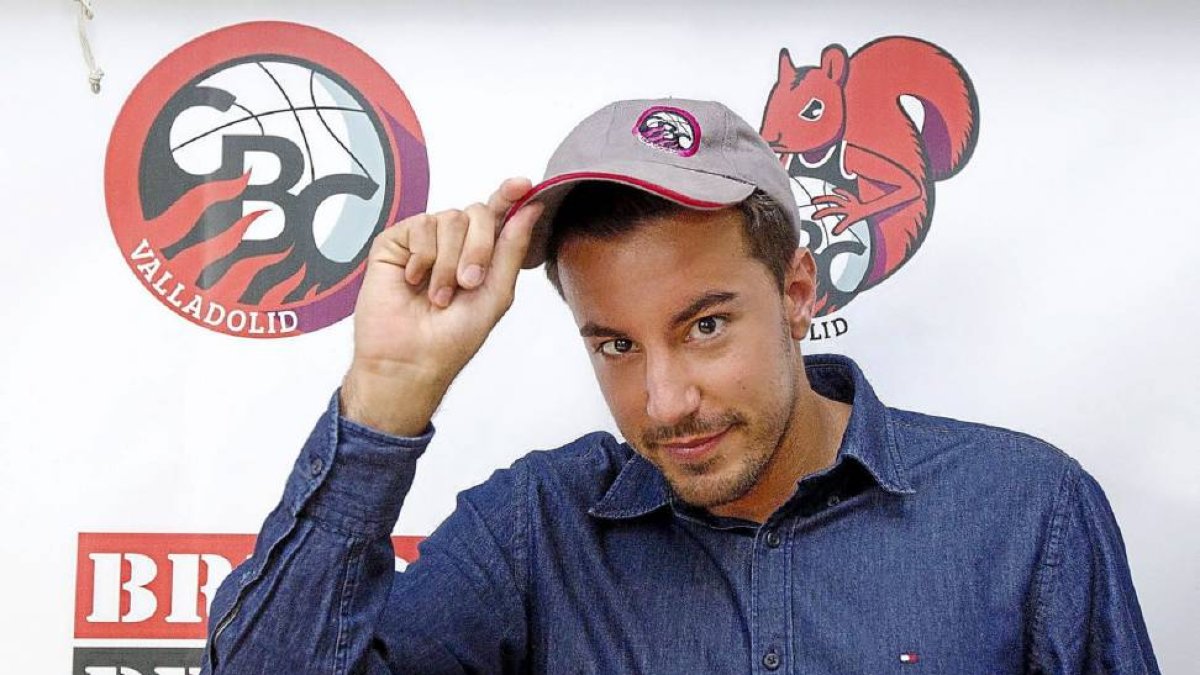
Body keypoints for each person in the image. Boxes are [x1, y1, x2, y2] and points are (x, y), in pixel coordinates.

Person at [202, 98, 1159, 674]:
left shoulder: (1023, 510)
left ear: (797, 292)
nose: (664, 403)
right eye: (616, 344)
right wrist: (388, 391)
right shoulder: (536, 531)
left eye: (705, 326)